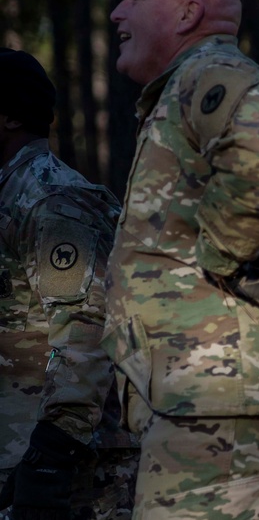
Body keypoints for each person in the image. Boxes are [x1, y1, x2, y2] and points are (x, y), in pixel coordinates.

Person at [103, 0, 259, 519]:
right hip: (208, 399)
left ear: (187, 13)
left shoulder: (211, 74)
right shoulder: (186, 85)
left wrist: (224, 259)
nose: (116, 13)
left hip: (220, 398)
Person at [0, 48, 138, 519]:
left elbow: (83, 334)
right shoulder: (10, 196)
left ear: (10, 117)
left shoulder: (54, 201)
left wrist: (48, 461)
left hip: (68, 483)